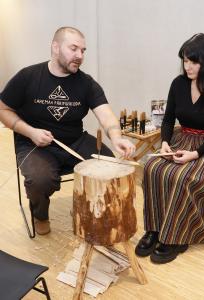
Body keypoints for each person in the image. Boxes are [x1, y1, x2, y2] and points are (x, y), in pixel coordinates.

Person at [0, 26, 135, 235]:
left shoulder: (86, 83)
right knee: (40, 180)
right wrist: (30, 132)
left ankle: (95, 212)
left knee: (109, 166)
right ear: (55, 47)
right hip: (34, 143)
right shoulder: (28, 76)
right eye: (74, 48)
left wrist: (116, 137)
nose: (80, 56)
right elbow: (3, 109)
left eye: (83, 50)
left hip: (75, 141)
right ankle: (40, 215)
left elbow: (105, 114)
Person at [135, 33, 204, 264]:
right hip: (182, 139)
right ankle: (155, 229)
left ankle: (177, 235)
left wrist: (195, 154)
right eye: (185, 61)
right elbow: (167, 121)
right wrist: (165, 142)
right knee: (152, 167)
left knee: (184, 176)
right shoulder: (178, 84)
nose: (188, 66)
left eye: (194, 62)